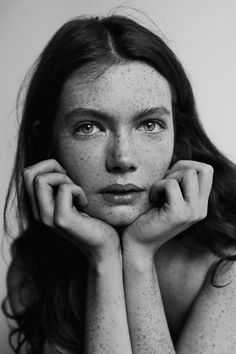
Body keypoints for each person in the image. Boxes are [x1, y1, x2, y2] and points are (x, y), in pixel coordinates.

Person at [2, 14, 236, 354]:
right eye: (89, 127)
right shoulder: (34, 272)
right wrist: (104, 258)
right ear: (48, 141)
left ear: (178, 134)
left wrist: (139, 257)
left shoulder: (226, 262)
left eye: (150, 124)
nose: (123, 159)